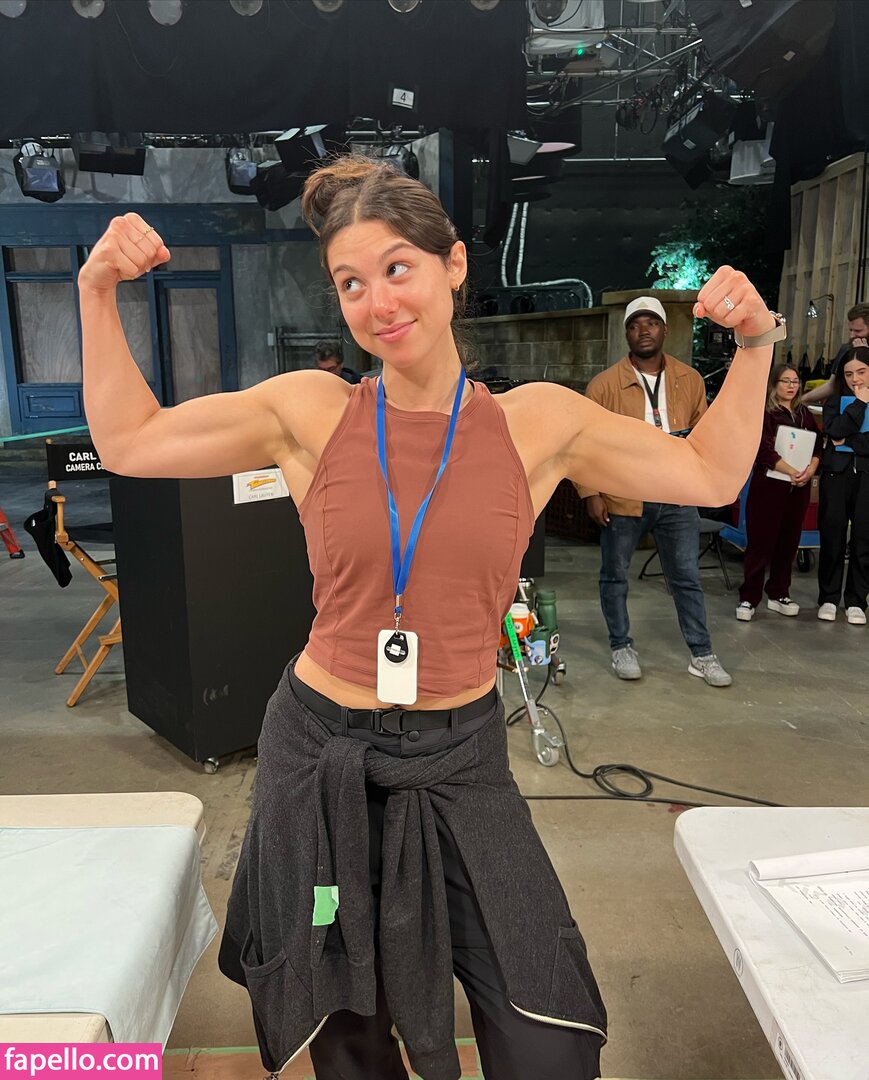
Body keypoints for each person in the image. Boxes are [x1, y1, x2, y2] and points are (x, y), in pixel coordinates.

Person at [77, 156, 783, 1080]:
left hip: (460, 758)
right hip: (319, 760)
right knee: (345, 1023)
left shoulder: (536, 422)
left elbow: (708, 473)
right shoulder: (310, 411)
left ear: (453, 265)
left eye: (397, 268)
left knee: (546, 1034)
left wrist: (756, 343)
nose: (377, 302)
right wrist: (96, 291)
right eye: (350, 283)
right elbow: (130, 441)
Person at [576, 297, 732, 687]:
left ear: (665, 330)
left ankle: (702, 654)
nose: (643, 330)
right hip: (624, 493)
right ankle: (621, 645)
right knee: (615, 575)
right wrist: (590, 492)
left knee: (686, 577)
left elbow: (703, 436)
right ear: (626, 334)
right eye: (634, 325)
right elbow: (582, 443)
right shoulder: (604, 386)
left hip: (676, 493)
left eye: (651, 323)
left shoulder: (689, 379)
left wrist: (701, 482)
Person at [735, 363, 822, 621]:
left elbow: (818, 446)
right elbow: (763, 450)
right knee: (761, 543)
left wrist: (810, 470)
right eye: (785, 381)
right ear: (774, 384)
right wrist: (791, 470)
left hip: (798, 488)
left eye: (795, 381)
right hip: (769, 486)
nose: (791, 386)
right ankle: (749, 597)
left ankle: (779, 593)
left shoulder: (804, 414)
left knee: (788, 541)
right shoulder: (765, 413)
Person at [817, 346, 869, 625]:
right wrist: (859, 405)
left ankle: (857, 601)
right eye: (849, 374)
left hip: (866, 478)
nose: (855, 379)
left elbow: (843, 436)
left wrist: (848, 441)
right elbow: (833, 430)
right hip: (835, 476)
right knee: (832, 535)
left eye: (861, 372)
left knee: (864, 539)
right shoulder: (835, 401)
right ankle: (828, 597)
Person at [801, 302, 869, 405]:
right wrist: (803, 400)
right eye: (851, 330)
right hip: (848, 407)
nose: (852, 335)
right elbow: (832, 385)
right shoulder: (846, 349)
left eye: (858, 331)